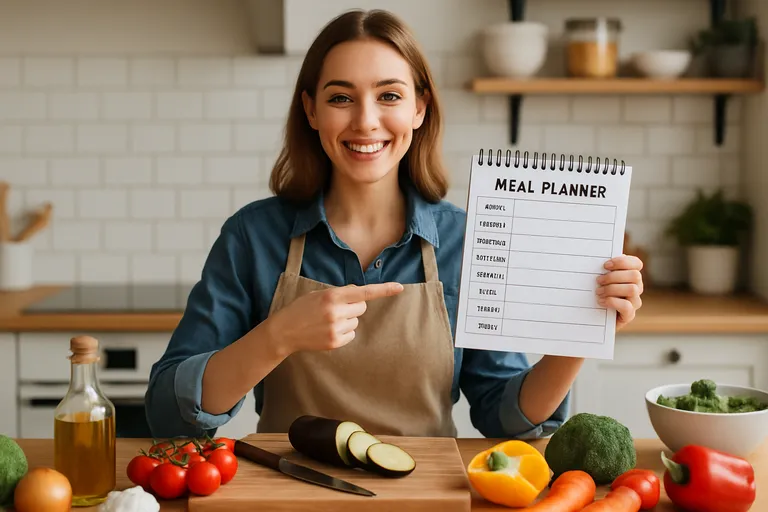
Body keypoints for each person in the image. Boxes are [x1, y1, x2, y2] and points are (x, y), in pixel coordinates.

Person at [144, 9, 644, 440]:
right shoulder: (253, 237)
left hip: (425, 497)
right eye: (341, 98)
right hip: (289, 493)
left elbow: (505, 417)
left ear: (420, 108)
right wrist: (277, 336)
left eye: (389, 96)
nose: (365, 121)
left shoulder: (466, 242)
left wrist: (579, 334)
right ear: (311, 110)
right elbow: (168, 412)